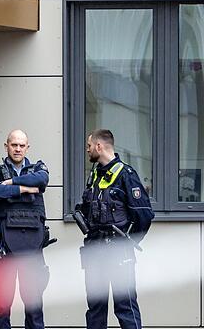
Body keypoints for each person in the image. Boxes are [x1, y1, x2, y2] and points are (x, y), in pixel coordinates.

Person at [75, 129, 154, 329]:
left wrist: (126, 243)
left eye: (89, 146)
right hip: (94, 251)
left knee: (125, 307)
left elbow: (144, 215)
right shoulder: (94, 175)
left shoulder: (126, 175)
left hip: (119, 252)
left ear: (99, 146)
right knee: (95, 309)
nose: (87, 150)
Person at [0, 129, 51, 329]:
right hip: (4, 247)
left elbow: (42, 180)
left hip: (32, 247)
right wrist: (24, 190)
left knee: (34, 305)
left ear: (27, 147)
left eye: (22, 145)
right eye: (14, 145)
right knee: (1, 306)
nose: (18, 149)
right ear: (7, 146)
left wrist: (12, 183)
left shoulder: (38, 167)